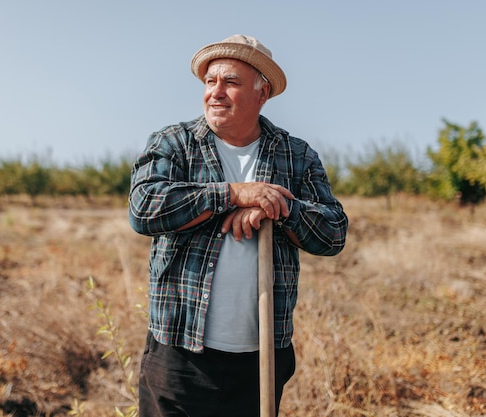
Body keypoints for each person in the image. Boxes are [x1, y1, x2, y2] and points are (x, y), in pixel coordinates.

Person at [128, 34, 349, 417]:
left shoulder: (295, 155)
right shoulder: (174, 144)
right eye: (210, 82)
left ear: (261, 94)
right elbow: (144, 209)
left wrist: (276, 207)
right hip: (180, 352)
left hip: (260, 356)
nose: (215, 92)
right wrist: (233, 194)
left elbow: (333, 233)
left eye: (230, 82)